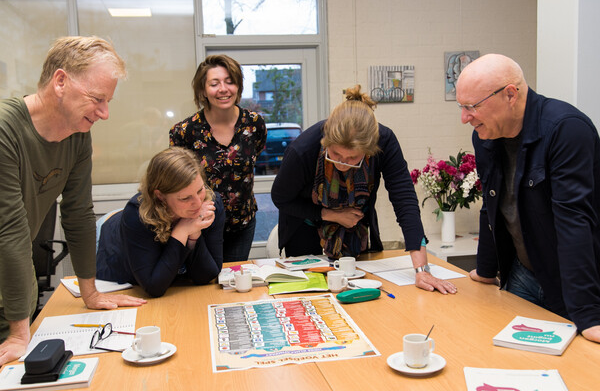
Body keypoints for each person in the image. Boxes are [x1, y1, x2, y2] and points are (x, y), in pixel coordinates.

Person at [0, 36, 146, 365]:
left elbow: (79, 214)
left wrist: (90, 292)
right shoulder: (5, 130)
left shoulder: (77, 134)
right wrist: (19, 332)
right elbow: (11, 231)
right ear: (61, 81)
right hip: (11, 306)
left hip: (15, 302)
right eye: (97, 99)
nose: (105, 113)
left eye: (107, 101)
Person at [456, 53, 600, 343]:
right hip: (522, 274)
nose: (464, 118)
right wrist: (486, 270)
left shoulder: (566, 130)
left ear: (510, 94)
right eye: (462, 107)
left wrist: (589, 315)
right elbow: (492, 204)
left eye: (472, 107)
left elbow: (574, 223)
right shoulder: (485, 135)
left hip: (571, 286)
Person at [271, 85, 457, 295]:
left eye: (352, 158)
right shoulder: (303, 149)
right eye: (335, 154)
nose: (342, 163)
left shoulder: (384, 141)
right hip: (306, 233)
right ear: (326, 141)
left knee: (361, 295)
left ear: (369, 150)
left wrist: (422, 269)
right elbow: (280, 198)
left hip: (356, 231)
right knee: (315, 297)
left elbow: (404, 199)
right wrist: (331, 215)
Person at [170, 55, 266, 262]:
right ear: (203, 90)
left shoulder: (254, 124)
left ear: (238, 86)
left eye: (229, 81)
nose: (223, 89)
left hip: (242, 224)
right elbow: (176, 181)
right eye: (214, 84)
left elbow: (254, 156)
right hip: (200, 225)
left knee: (232, 282)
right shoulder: (184, 132)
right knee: (203, 284)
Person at [96, 147, 225, 297]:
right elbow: (153, 287)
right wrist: (182, 231)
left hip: (170, 278)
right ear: (161, 196)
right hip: (120, 268)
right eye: (185, 198)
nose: (197, 203)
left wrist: (194, 235)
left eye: (200, 190)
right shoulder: (136, 214)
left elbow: (207, 276)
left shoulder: (210, 205)